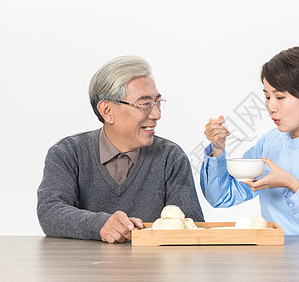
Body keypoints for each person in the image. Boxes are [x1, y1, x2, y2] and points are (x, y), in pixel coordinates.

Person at [37, 55, 204, 243]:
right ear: (107, 111)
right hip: (84, 269)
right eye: (144, 104)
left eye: (157, 103)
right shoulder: (67, 152)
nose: (156, 114)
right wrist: (100, 224)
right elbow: (49, 212)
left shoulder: (171, 157)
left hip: (153, 270)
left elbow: (191, 227)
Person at [201, 47, 299, 235]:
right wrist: (218, 151)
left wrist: (292, 186)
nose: (270, 107)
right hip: (271, 259)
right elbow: (221, 197)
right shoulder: (270, 143)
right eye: (267, 96)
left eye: (280, 97)